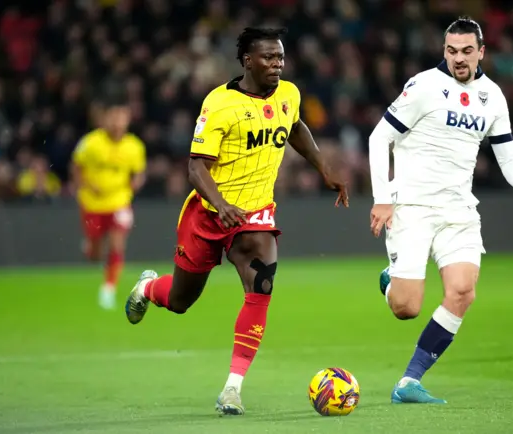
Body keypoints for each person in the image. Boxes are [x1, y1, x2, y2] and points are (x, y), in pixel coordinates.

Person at [124, 27, 348, 416]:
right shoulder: (220, 104)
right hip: (208, 214)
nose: (277, 64)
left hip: (256, 213)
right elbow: (196, 167)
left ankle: (232, 388)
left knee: (261, 287)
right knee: (180, 301)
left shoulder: (289, 94)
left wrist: (322, 168)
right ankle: (148, 287)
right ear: (248, 61)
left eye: (280, 57)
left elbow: (296, 126)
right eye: (268, 58)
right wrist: (221, 204)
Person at [368, 16, 513, 404]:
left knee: (463, 292)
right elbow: (380, 137)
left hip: (459, 208)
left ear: (482, 52)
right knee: (406, 307)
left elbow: (507, 153)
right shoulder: (423, 87)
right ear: (443, 51)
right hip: (411, 205)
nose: (459, 58)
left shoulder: (493, 96)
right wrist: (382, 197)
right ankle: (391, 281)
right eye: (451, 51)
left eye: (467, 51)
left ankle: (409, 382)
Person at [71, 94, 147, 310]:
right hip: (93, 203)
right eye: (113, 117)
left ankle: (108, 289)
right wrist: (84, 185)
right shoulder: (90, 143)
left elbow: (139, 172)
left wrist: (135, 185)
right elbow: (76, 167)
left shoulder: (134, 146)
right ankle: (91, 247)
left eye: (121, 117)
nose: (117, 122)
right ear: (105, 119)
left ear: (127, 119)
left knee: (117, 243)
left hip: (119, 202)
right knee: (95, 255)